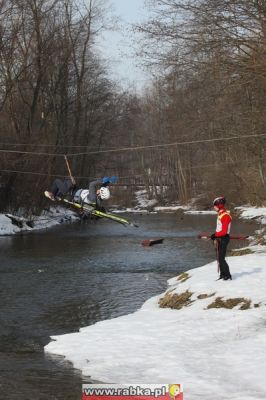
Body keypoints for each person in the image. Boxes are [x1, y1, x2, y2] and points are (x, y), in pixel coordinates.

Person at [45, 175, 118, 211]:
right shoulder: (98, 198)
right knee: (68, 178)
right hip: (76, 189)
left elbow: (91, 184)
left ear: (101, 194)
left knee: (57, 181)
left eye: (99, 190)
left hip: (71, 193)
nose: (98, 190)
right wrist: (109, 181)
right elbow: (103, 187)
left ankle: (52, 195)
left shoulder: (93, 198)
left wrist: (102, 181)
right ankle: (58, 194)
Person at [210, 196, 232, 280]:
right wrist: (215, 235)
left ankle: (228, 275)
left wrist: (215, 235)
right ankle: (222, 275)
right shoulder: (221, 214)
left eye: (215, 205)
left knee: (221, 258)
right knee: (219, 257)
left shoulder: (225, 215)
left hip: (223, 238)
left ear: (219, 205)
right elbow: (220, 229)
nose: (214, 207)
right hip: (220, 238)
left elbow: (224, 231)